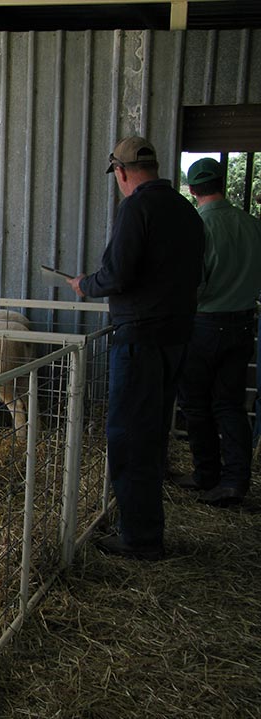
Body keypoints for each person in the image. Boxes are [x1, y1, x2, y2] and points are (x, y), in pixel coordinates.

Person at [68, 136, 204, 561]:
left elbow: (118, 273)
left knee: (129, 435)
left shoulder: (137, 208)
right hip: (177, 335)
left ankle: (140, 537)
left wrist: (86, 285)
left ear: (121, 173)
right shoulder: (186, 210)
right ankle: (140, 521)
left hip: (141, 339)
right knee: (153, 430)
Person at [173, 157, 261, 507]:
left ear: (192, 190)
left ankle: (205, 474)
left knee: (196, 404)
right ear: (223, 183)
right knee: (231, 405)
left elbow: (196, 284)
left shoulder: (198, 227)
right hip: (243, 324)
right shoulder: (252, 225)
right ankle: (236, 481)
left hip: (205, 324)